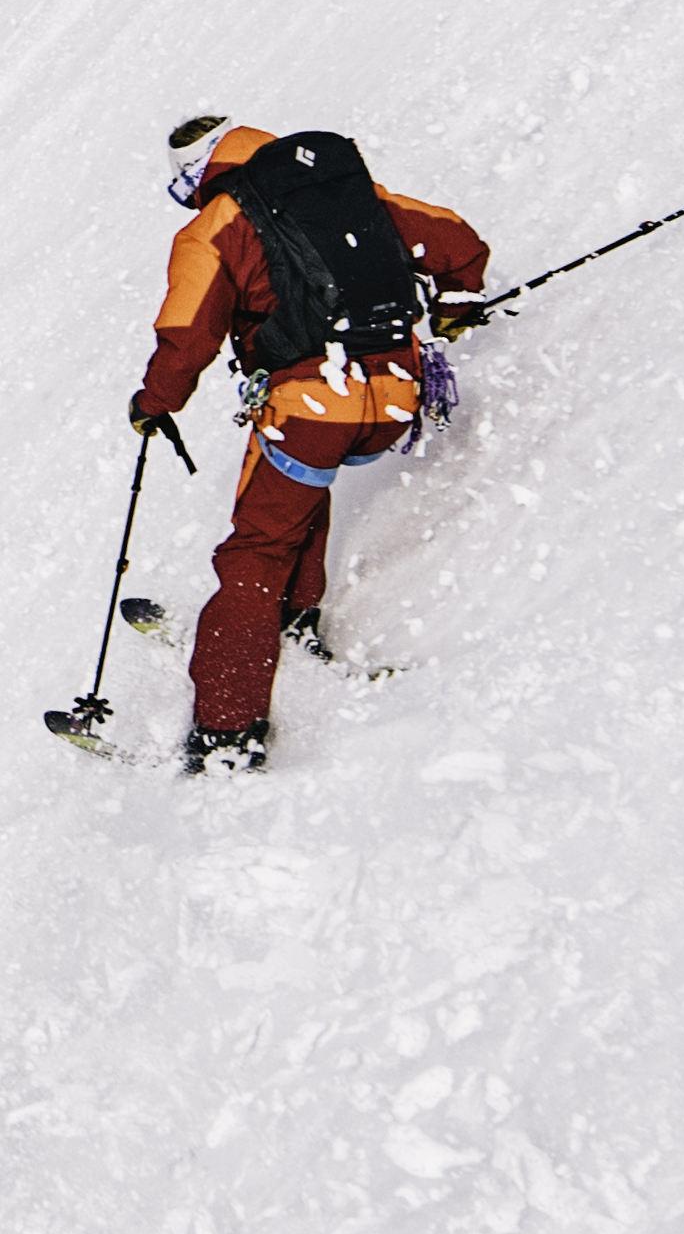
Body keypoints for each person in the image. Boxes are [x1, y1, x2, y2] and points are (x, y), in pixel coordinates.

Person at [127, 120, 489, 773]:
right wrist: (458, 302)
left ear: (199, 172)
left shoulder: (216, 224)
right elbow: (457, 243)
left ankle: (227, 733)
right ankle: (291, 625)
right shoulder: (340, 192)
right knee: (299, 492)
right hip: (397, 392)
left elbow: (186, 335)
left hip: (315, 402)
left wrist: (153, 405)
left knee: (256, 548)